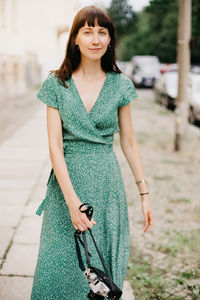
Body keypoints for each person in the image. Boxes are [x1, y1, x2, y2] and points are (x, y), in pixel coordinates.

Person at [30, 5, 153, 300]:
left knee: (102, 272)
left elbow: (130, 142)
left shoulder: (121, 85)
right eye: (88, 31)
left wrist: (144, 193)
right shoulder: (56, 84)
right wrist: (73, 203)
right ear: (75, 38)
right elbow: (55, 147)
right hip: (66, 187)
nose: (95, 39)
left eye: (102, 32)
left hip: (107, 186)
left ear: (110, 39)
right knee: (57, 268)